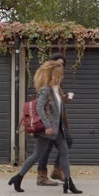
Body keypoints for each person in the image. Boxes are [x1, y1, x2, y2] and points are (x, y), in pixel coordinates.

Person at [8, 60, 82, 194]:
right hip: (47, 131)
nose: (62, 76)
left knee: (64, 153)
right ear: (53, 74)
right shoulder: (45, 90)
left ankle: (69, 182)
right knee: (37, 155)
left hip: (58, 129)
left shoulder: (57, 89)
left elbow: (55, 107)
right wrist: (47, 126)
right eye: (60, 74)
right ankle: (18, 178)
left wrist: (65, 99)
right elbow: (39, 108)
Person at [36, 53, 72, 186]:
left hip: (58, 122)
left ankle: (57, 170)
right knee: (44, 149)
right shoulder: (46, 82)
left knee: (67, 141)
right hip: (50, 122)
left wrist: (64, 99)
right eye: (58, 64)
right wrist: (47, 124)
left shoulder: (57, 83)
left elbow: (56, 102)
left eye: (62, 64)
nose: (61, 66)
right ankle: (42, 175)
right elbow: (43, 104)